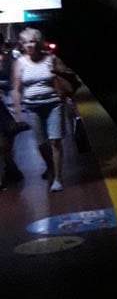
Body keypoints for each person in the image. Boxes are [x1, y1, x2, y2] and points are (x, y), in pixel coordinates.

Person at [11, 28, 76, 192]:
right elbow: (17, 88)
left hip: (53, 104)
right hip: (33, 107)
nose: (29, 45)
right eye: (26, 42)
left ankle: (58, 178)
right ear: (22, 45)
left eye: (32, 41)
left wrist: (67, 99)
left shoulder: (51, 59)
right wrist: (17, 113)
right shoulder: (20, 63)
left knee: (55, 141)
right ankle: (50, 166)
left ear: (38, 43)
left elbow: (65, 78)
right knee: (41, 144)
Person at [0, 34, 27, 188]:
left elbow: (16, 82)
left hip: (8, 101)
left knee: (8, 138)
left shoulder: (10, 60)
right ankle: (9, 168)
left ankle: (10, 166)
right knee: (3, 140)